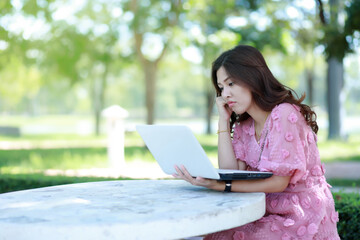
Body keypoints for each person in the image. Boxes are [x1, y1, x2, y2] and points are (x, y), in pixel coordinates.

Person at [174, 45, 340, 239]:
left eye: (231, 84)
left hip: (300, 213)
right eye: (221, 87)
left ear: (252, 79)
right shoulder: (246, 124)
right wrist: (223, 121)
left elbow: (279, 182)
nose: (224, 94)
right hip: (263, 208)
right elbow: (230, 171)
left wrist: (223, 186)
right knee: (212, 233)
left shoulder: (284, 113)